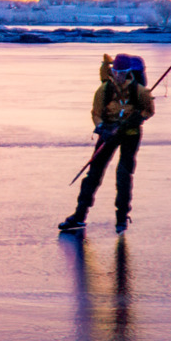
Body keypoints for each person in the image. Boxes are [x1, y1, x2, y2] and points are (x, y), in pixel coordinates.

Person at [60, 52, 154, 234]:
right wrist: (102, 128)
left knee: (123, 175)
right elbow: (95, 112)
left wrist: (135, 119)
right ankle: (79, 216)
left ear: (128, 72)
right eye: (116, 71)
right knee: (94, 173)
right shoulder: (105, 89)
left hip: (130, 135)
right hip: (108, 133)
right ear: (112, 70)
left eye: (122, 72)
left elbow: (148, 111)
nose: (118, 76)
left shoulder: (140, 91)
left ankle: (122, 218)